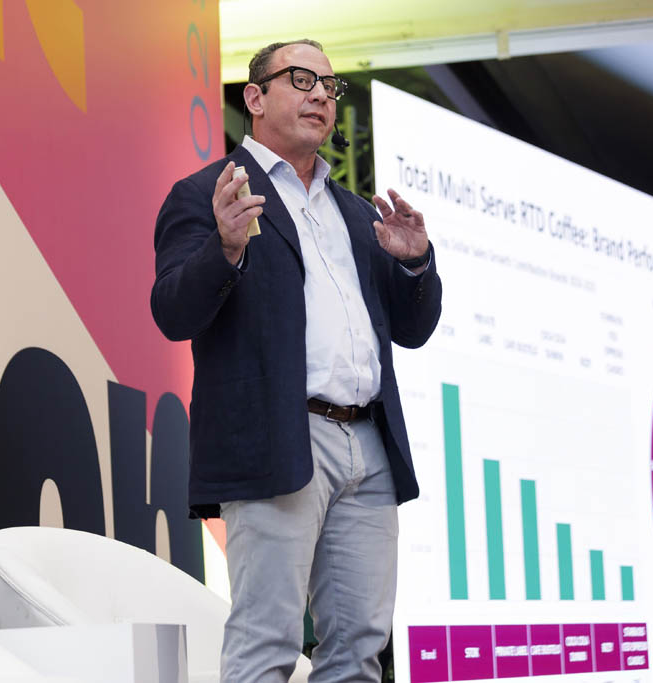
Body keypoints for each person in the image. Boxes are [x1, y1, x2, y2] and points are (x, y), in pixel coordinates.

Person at [150, 38, 442, 682]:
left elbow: (413, 330)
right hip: (277, 439)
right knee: (267, 641)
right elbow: (172, 312)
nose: (321, 96)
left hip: (369, 445)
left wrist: (415, 264)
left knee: (361, 649)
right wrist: (224, 249)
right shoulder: (205, 195)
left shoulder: (356, 213)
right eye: (302, 79)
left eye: (330, 86)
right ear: (254, 98)